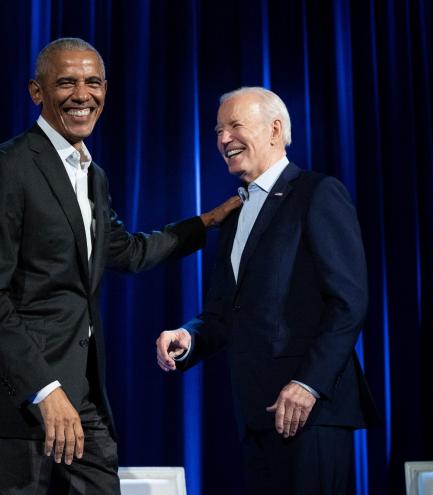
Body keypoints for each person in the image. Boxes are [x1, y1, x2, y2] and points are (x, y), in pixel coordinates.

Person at [0, 37, 239, 495]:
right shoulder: (6, 167)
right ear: (36, 92)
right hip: (15, 399)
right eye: (66, 83)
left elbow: (127, 251)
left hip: (81, 396)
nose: (83, 95)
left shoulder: (92, 175)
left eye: (93, 82)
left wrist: (208, 222)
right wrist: (44, 388)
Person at [156, 87, 378, 494]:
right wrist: (189, 336)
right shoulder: (236, 213)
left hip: (312, 412)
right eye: (219, 130)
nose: (224, 139)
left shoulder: (317, 193)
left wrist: (308, 384)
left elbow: (349, 302)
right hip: (258, 415)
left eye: (235, 126)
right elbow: (225, 313)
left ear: (275, 130)